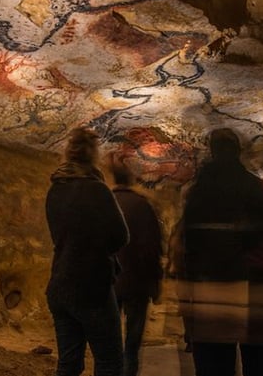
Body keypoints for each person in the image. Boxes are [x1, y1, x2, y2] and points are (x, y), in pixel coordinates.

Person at [177, 128, 263, 376]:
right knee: (262, 367)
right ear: (239, 152)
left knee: (214, 367)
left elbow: (189, 247)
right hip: (258, 287)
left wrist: (189, 294)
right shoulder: (261, 190)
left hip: (212, 290)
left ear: (212, 152)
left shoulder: (198, 192)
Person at [45, 127, 129, 376]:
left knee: (68, 364)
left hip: (60, 284)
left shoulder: (55, 189)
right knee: (109, 362)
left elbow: (58, 236)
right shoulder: (97, 189)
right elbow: (120, 236)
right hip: (92, 287)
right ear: (93, 155)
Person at [111, 156, 164, 376]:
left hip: (110, 282)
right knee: (131, 346)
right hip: (137, 283)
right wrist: (155, 284)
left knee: (109, 344)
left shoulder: (106, 202)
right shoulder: (144, 206)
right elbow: (153, 248)